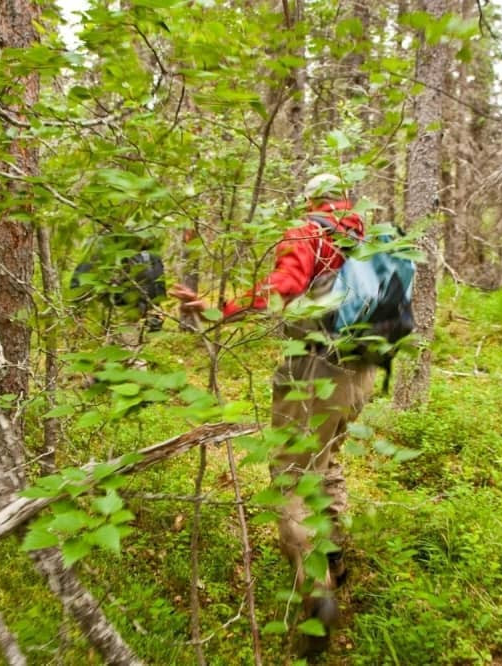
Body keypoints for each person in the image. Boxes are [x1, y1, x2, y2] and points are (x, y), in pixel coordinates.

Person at [170, 173, 377, 656]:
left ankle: (317, 594)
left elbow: (282, 288)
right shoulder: (361, 237)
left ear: (310, 198)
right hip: (363, 369)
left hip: (315, 369)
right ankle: (336, 557)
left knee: (292, 474)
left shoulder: (306, 233)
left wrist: (220, 309)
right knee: (327, 459)